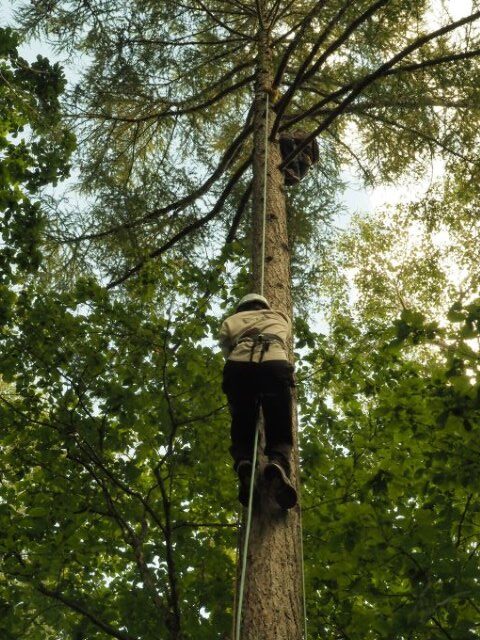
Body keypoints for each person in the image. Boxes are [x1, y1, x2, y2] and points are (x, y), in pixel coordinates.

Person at [219, 293, 297, 509]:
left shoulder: (231, 321)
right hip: (274, 362)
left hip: (238, 366)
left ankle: (244, 461)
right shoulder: (280, 316)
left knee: (242, 418)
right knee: (278, 418)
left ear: (240, 307)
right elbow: (285, 334)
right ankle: (277, 462)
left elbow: (226, 345)